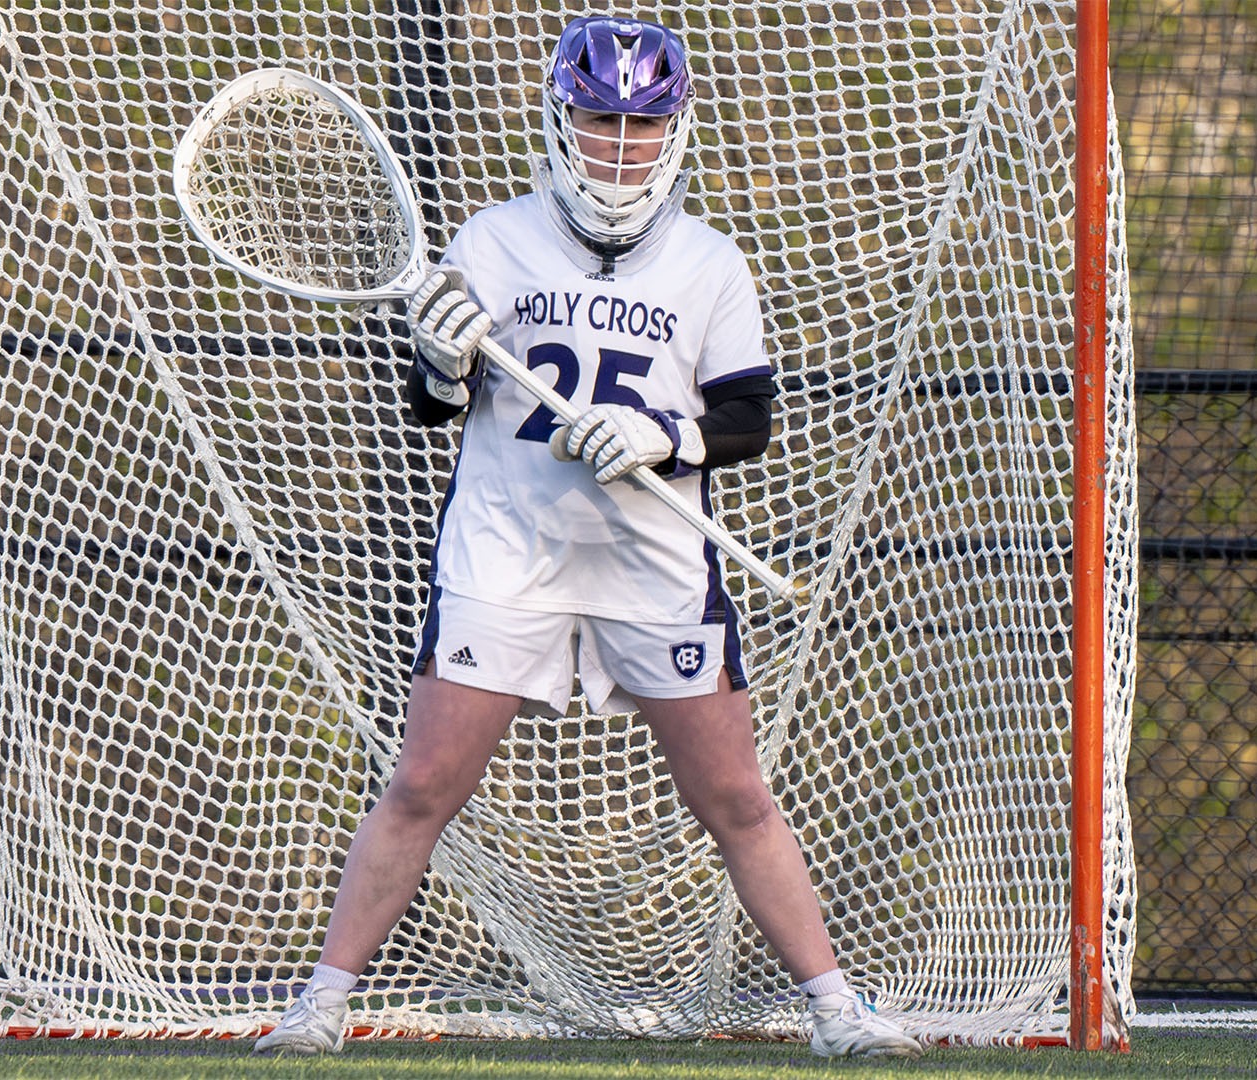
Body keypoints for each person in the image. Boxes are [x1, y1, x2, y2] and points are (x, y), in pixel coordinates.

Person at [254, 14, 921, 1060]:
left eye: (640, 123)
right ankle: (321, 1007)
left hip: (654, 562)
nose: (620, 143)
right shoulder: (492, 238)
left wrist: (663, 431)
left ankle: (840, 1010)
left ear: (675, 130)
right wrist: (441, 363)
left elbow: (748, 417)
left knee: (735, 795)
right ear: (563, 122)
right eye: (599, 118)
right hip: (507, 551)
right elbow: (435, 405)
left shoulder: (710, 264)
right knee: (425, 782)